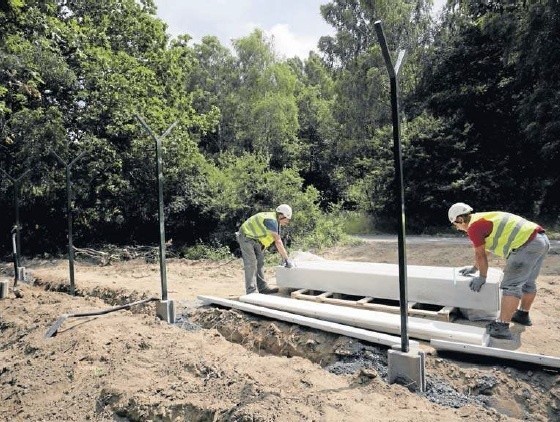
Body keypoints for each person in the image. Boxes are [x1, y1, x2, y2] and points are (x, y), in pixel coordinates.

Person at [448, 202, 550, 339]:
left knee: (511, 286)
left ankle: (501, 327)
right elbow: (486, 250)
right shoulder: (483, 219)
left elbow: (480, 254)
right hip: (540, 240)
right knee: (528, 281)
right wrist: (475, 268)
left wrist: (482, 277)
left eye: (456, 224)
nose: (458, 228)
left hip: (525, 244)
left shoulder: (474, 227)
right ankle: (522, 315)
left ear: (460, 219)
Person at [236, 204, 295, 294]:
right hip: (245, 237)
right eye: (287, 220)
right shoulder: (271, 221)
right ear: (281, 216)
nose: (287, 222)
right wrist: (286, 259)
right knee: (251, 264)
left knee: (260, 262)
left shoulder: (275, 221)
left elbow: (268, 237)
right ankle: (251, 291)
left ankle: (263, 288)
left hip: (255, 239)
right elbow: (278, 241)